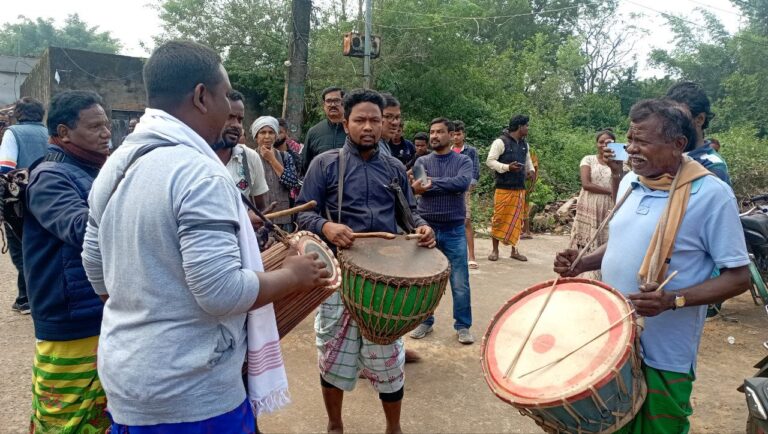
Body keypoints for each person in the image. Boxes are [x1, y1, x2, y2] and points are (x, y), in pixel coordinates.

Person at [82, 40, 330, 431]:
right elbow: (221, 292)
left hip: (127, 376)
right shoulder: (199, 172)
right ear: (201, 96)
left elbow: (95, 268)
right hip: (192, 395)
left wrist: (150, 305)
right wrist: (294, 276)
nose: (229, 110)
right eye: (225, 94)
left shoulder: (117, 164)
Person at [554, 98, 751, 433]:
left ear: (678, 145)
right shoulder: (631, 183)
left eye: (642, 142)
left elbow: (739, 277)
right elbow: (620, 241)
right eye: (630, 140)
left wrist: (673, 299)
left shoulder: (711, 194)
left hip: (665, 351)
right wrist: (582, 262)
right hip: (612, 339)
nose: (630, 149)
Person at [296, 89, 435, 434]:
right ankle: (335, 424)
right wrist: (327, 225)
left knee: (388, 360)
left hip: (387, 280)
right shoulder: (324, 164)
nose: (369, 126)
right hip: (340, 276)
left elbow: (409, 214)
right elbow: (303, 216)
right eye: (360, 120)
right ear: (346, 124)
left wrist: (422, 228)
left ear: (385, 124)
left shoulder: (393, 168)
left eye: (376, 119)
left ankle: (394, 428)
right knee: (333, 354)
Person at [23, 90, 112, 433]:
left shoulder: (90, 171)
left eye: (106, 125)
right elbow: (80, 228)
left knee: (98, 417)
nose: (106, 133)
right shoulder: (50, 177)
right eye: (95, 127)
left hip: (94, 311)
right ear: (63, 133)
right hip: (69, 317)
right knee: (65, 420)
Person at [409, 117, 474, 344]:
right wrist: (444, 184)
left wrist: (431, 184)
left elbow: (462, 183)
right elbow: (419, 185)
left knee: (460, 282)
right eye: (432, 132)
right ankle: (425, 322)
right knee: (425, 281)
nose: (434, 136)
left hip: (455, 229)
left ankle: (463, 326)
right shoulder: (421, 161)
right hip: (427, 229)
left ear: (450, 134)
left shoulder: (463, 160)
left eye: (439, 132)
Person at [0, 97, 48, 314]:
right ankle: (23, 297)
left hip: (19, 200)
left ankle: (30, 297)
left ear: (18, 114)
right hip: (48, 197)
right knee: (39, 245)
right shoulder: (50, 132)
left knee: (19, 248)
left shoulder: (13, 133)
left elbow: (5, 168)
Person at [486, 114, 535, 262]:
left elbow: (527, 160)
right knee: (499, 219)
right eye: (526, 125)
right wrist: (507, 167)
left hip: (519, 188)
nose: (528, 128)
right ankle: (495, 250)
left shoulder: (524, 144)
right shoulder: (500, 142)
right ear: (519, 127)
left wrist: (531, 170)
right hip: (503, 188)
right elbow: (490, 161)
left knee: (517, 220)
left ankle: (515, 251)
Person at [568, 129, 617, 280]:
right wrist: (610, 191)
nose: (604, 145)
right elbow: (586, 184)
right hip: (590, 205)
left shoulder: (619, 163)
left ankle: (602, 276)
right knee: (587, 241)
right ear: (596, 143)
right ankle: (582, 275)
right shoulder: (588, 159)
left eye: (608, 142)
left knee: (607, 240)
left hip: (609, 206)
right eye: (601, 142)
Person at [666, 81, 730, 185]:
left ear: (700, 119)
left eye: (680, 118)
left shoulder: (712, 167)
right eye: (670, 118)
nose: (673, 125)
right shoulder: (671, 154)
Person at [215, 90, 269, 210]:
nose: (237, 125)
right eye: (230, 117)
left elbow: (260, 208)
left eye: (240, 120)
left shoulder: (250, 157)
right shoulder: (196, 157)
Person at [252, 116, 300, 232]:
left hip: (283, 219)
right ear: (256, 136)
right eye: (263, 132)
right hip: (260, 221)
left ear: (276, 136)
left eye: (271, 132)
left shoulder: (285, 156)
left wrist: (272, 160)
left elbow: (292, 183)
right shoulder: (250, 157)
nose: (267, 136)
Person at [451, 120, 480, 269]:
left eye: (459, 134)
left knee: (466, 221)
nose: (456, 137)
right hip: (448, 190)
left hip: (464, 190)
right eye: (454, 134)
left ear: (463, 135)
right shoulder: (447, 150)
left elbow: (475, 171)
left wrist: (470, 185)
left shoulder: (471, 151)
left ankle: (472, 256)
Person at [302, 86, 347, 173]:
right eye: (329, 101)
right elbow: (306, 166)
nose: (332, 105)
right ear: (324, 105)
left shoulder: (353, 130)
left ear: (344, 103)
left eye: (337, 101)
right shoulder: (314, 132)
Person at [277, 117, 304, 203]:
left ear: (286, 133)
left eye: (280, 132)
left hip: (292, 201)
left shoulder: (295, 157)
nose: (276, 136)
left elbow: (297, 182)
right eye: (274, 132)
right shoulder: (262, 155)